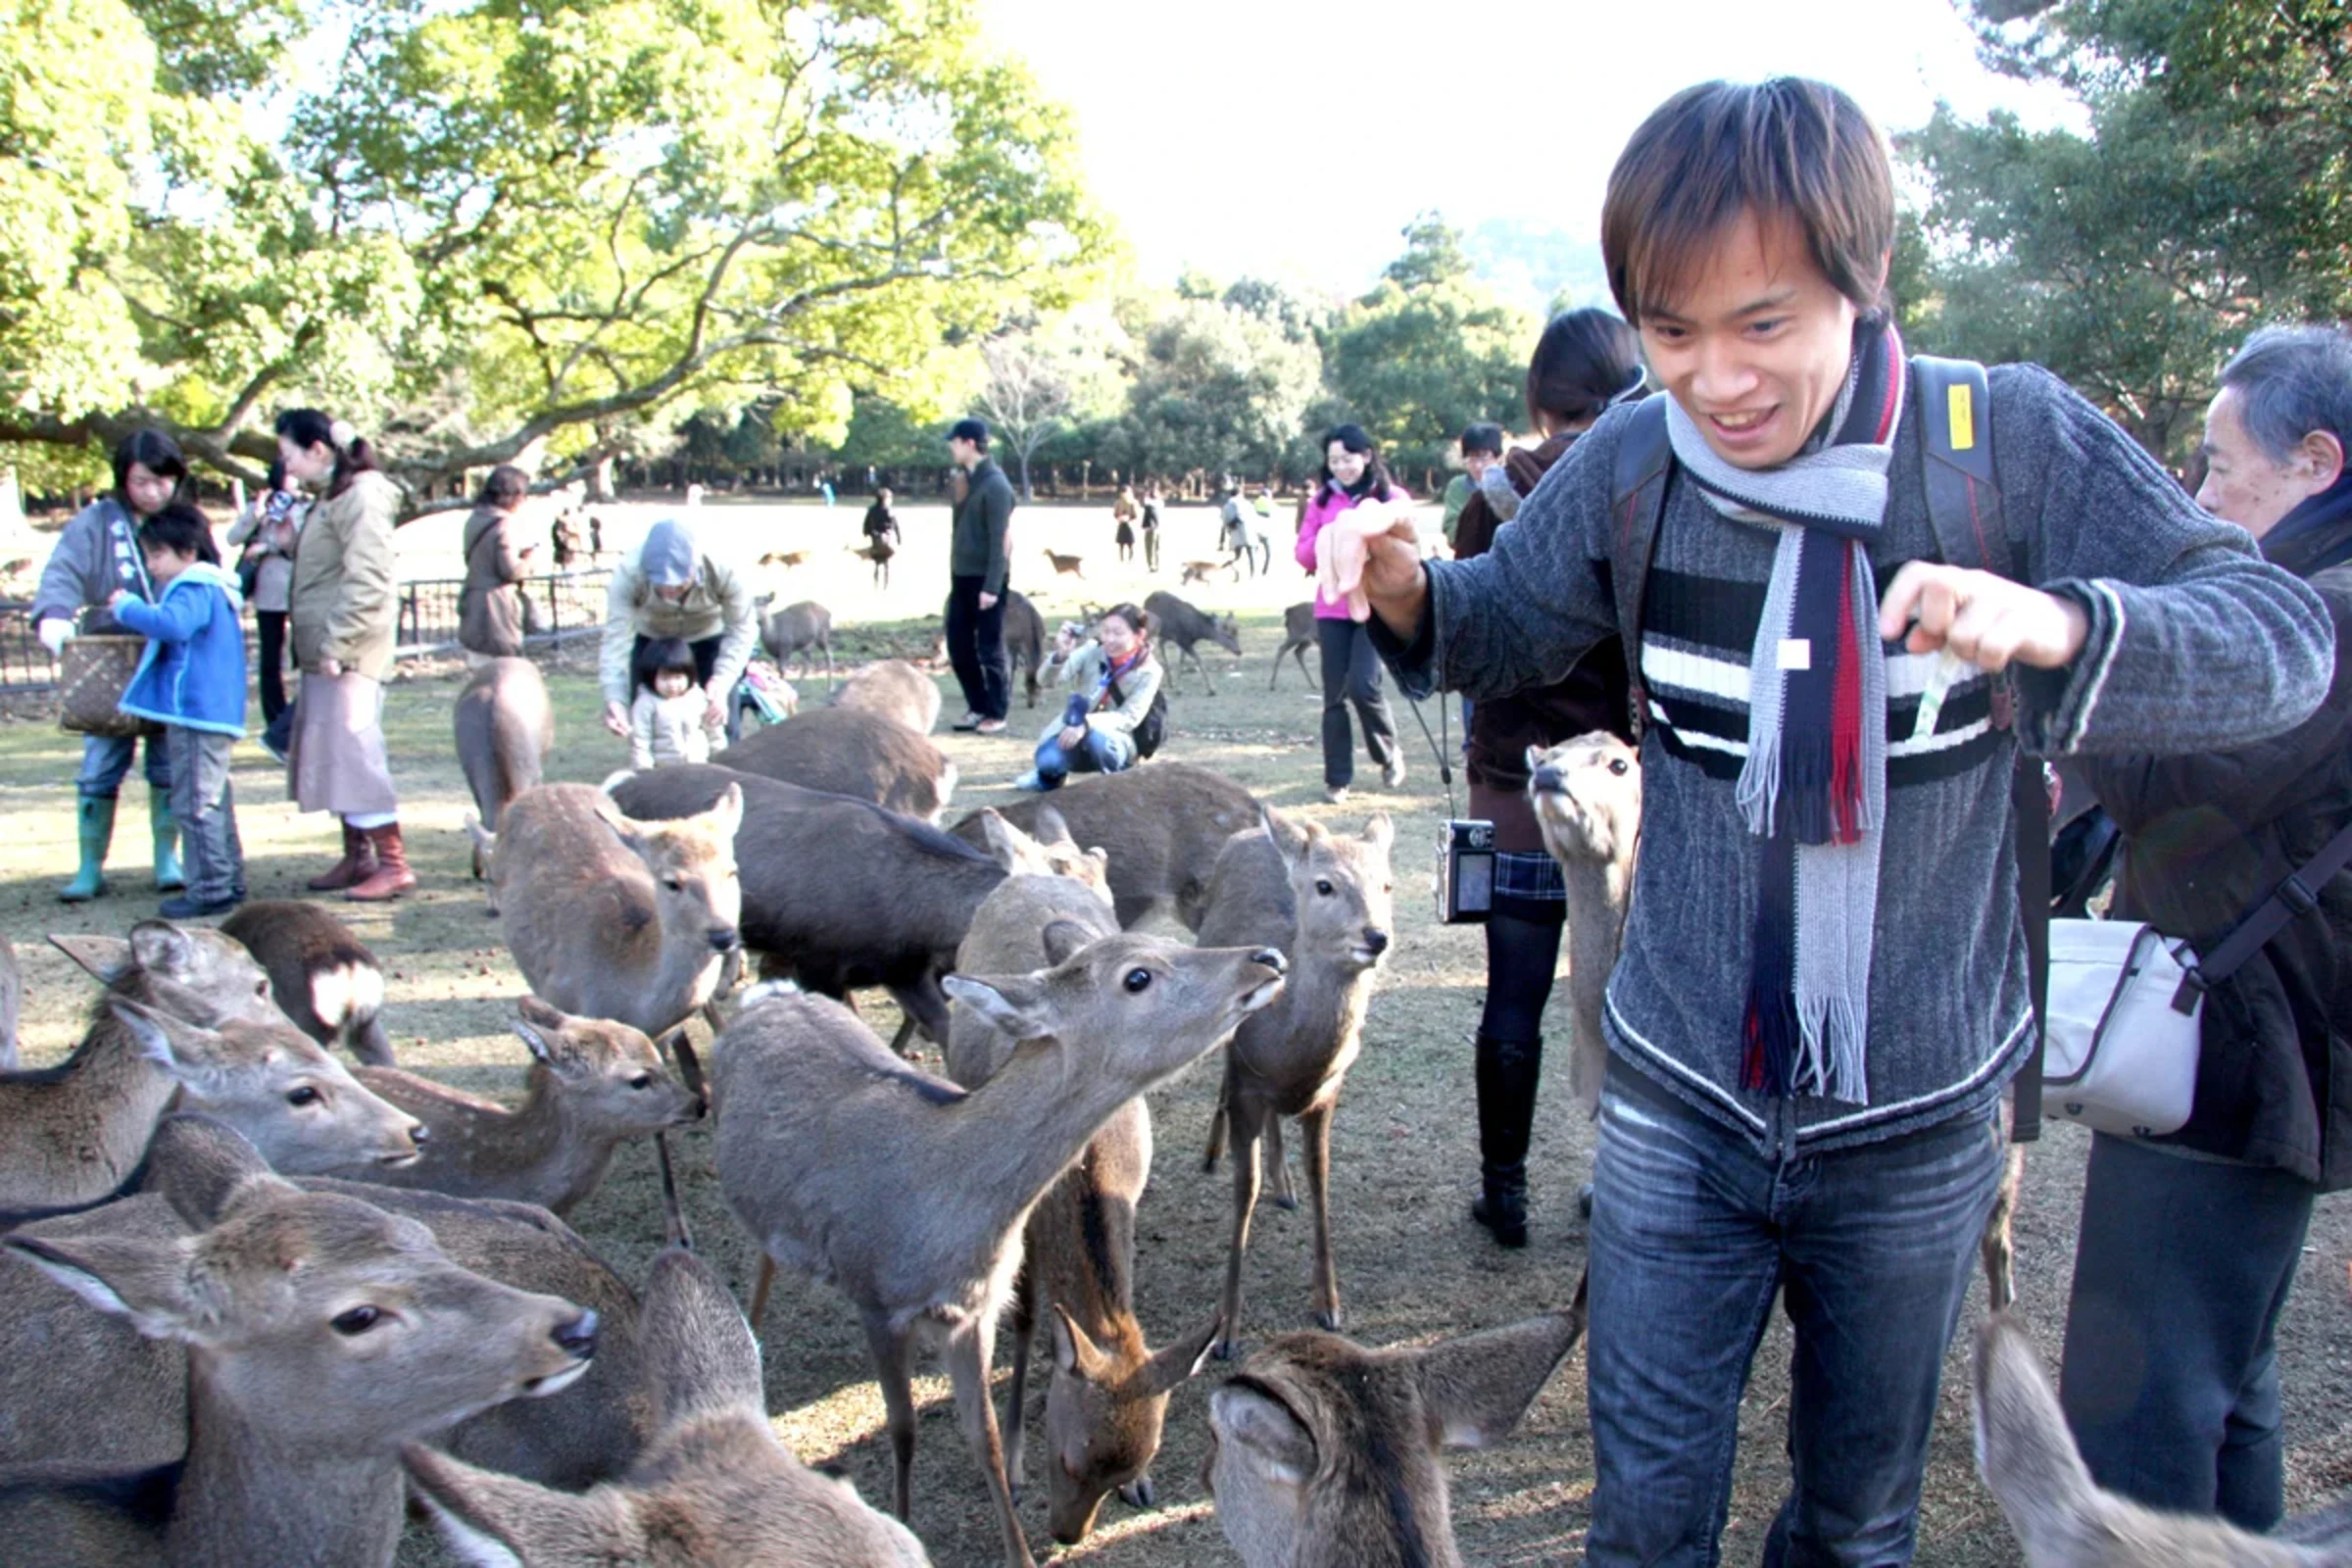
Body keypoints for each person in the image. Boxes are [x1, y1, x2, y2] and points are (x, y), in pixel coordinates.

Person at [1340, 78, 2333, 1565]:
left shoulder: (2007, 443)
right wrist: (1414, 588)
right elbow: (1501, 628)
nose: (1714, 379)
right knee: (1646, 1518)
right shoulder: (1632, 460)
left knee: (1860, 1523)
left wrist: (2064, 622)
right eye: (1671, 330)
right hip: (1680, 1095)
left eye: (1763, 324)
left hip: (1920, 1115)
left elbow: (2281, 641)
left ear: (1862, 285)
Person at [2057, 324, 2352, 1533]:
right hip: (2260, 1044)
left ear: (2316, 462)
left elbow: (2183, 779)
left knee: (2136, 1419)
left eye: (2223, 466)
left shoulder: (2322, 617)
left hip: (2234, 1047)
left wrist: (2067, 661)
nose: (2202, 494)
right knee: (2226, 1384)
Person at [1452, 312, 1644, 1249]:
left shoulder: (1493, 495)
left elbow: (1464, 630)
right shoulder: (1646, 480)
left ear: (1539, 398)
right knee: (1628, 995)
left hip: (1513, 787)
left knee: (1513, 995)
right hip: (1622, 791)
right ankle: (1618, 1181)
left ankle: (1506, 1191)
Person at [32, 428, 192, 903]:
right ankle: (89, 866)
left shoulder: (186, 521)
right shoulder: (96, 523)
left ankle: (167, 857)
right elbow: (62, 572)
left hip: (168, 656)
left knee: (168, 764)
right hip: (108, 662)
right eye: (142, 481)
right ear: (124, 478)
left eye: (162, 481)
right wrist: (55, 617)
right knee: (101, 762)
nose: (153, 492)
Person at [280, 408, 416, 903]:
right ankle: (359, 856)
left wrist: (338, 643)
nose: (286, 465)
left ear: (318, 450)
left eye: (289, 454)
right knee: (336, 754)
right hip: (329, 647)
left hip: (350, 651)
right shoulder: (336, 496)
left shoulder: (361, 495)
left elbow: (369, 578)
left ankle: (393, 864)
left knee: (355, 753)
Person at [112, 503, 247, 918]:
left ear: (187, 552)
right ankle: (228, 878)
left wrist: (128, 608)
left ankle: (209, 887)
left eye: (156, 555)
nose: (151, 565)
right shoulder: (216, 588)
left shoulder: (194, 587)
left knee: (194, 802)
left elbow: (173, 625)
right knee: (214, 799)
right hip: (215, 711)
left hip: (195, 710)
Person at [1296, 424, 1406, 804]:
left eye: (1348, 458)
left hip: (1377, 606)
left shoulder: (1389, 497)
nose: (1341, 467)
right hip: (1332, 607)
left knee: (1363, 685)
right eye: (1334, 461)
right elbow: (1303, 552)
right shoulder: (1323, 502)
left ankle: (1386, 751)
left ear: (1367, 456)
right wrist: (1331, 537)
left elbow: (1405, 545)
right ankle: (1337, 779)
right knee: (1334, 695)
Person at [597, 516, 755, 756]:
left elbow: (742, 629)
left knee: (719, 718)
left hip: (709, 638)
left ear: (694, 568)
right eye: (660, 584)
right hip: (654, 642)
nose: (669, 590)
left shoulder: (724, 569)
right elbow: (616, 639)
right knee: (648, 720)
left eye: (678, 583)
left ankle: (723, 775)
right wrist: (615, 699)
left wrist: (721, 681)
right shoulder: (629, 573)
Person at [1014, 603, 1161, 792]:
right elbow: (1046, 681)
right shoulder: (1092, 650)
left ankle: (1119, 781)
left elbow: (1129, 717)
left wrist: (1086, 724)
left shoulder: (1149, 671)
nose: (1109, 639)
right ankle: (1049, 780)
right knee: (1048, 761)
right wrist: (1061, 655)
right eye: (1105, 631)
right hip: (1073, 730)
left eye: (1118, 633)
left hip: (1115, 738)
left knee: (1098, 739)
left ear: (1139, 635)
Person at [945, 416, 1014, 734]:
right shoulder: (966, 480)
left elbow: (1001, 540)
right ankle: (977, 705)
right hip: (962, 577)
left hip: (986, 579)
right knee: (958, 646)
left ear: (969, 443)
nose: (951, 447)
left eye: (955, 441)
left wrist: (992, 587)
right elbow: (962, 532)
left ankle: (997, 712)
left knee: (989, 648)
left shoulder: (996, 484)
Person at [225, 459, 307, 725]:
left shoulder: (307, 506)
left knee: (306, 653)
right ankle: (275, 716)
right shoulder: (264, 506)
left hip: (300, 586)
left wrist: (268, 547)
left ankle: (304, 711)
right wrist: (255, 515)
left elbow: (302, 543)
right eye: (289, 474)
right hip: (269, 590)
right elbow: (233, 537)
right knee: (270, 657)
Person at [459, 464, 537, 662]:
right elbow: (510, 570)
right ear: (510, 495)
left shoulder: (475, 519)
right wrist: (528, 560)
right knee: (504, 670)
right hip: (496, 609)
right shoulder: (504, 524)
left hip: (473, 601)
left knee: (479, 668)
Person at [628, 636, 715, 770]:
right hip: (664, 771)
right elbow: (641, 741)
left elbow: (712, 728)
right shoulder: (645, 704)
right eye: (665, 678)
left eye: (678, 677)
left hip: (698, 766)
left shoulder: (696, 698)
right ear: (652, 677)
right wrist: (643, 770)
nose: (672, 685)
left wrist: (719, 756)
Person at [1442, 423, 1506, 550]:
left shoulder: (1513, 485)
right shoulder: (1458, 487)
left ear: (1499, 458)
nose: (1478, 465)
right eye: (1471, 457)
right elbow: (1452, 531)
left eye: (1484, 456)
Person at [861, 487, 901, 588]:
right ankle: (885, 585)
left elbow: (866, 526)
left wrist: (867, 533)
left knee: (877, 562)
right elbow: (895, 526)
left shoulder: (872, 510)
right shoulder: (890, 511)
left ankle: (876, 583)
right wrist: (899, 539)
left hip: (876, 542)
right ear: (885, 499)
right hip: (888, 543)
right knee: (886, 562)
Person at [1140, 481, 1163, 571]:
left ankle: (1153, 564)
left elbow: (1145, 503)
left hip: (1153, 527)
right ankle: (1154, 565)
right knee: (1154, 547)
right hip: (1155, 526)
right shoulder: (1157, 501)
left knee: (1152, 547)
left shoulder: (1152, 502)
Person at [1112, 484, 1139, 564]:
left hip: (1130, 525)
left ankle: (1131, 558)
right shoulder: (1118, 502)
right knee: (1121, 542)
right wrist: (1119, 518)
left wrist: (1129, 519)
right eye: (1122, 492)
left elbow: (1136, 514)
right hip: (1121, 523)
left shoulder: (1133, 502)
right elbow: (1115, 513)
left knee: (1130, 542)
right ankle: (1121, 558)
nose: (1124, 494)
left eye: (1125, 492)